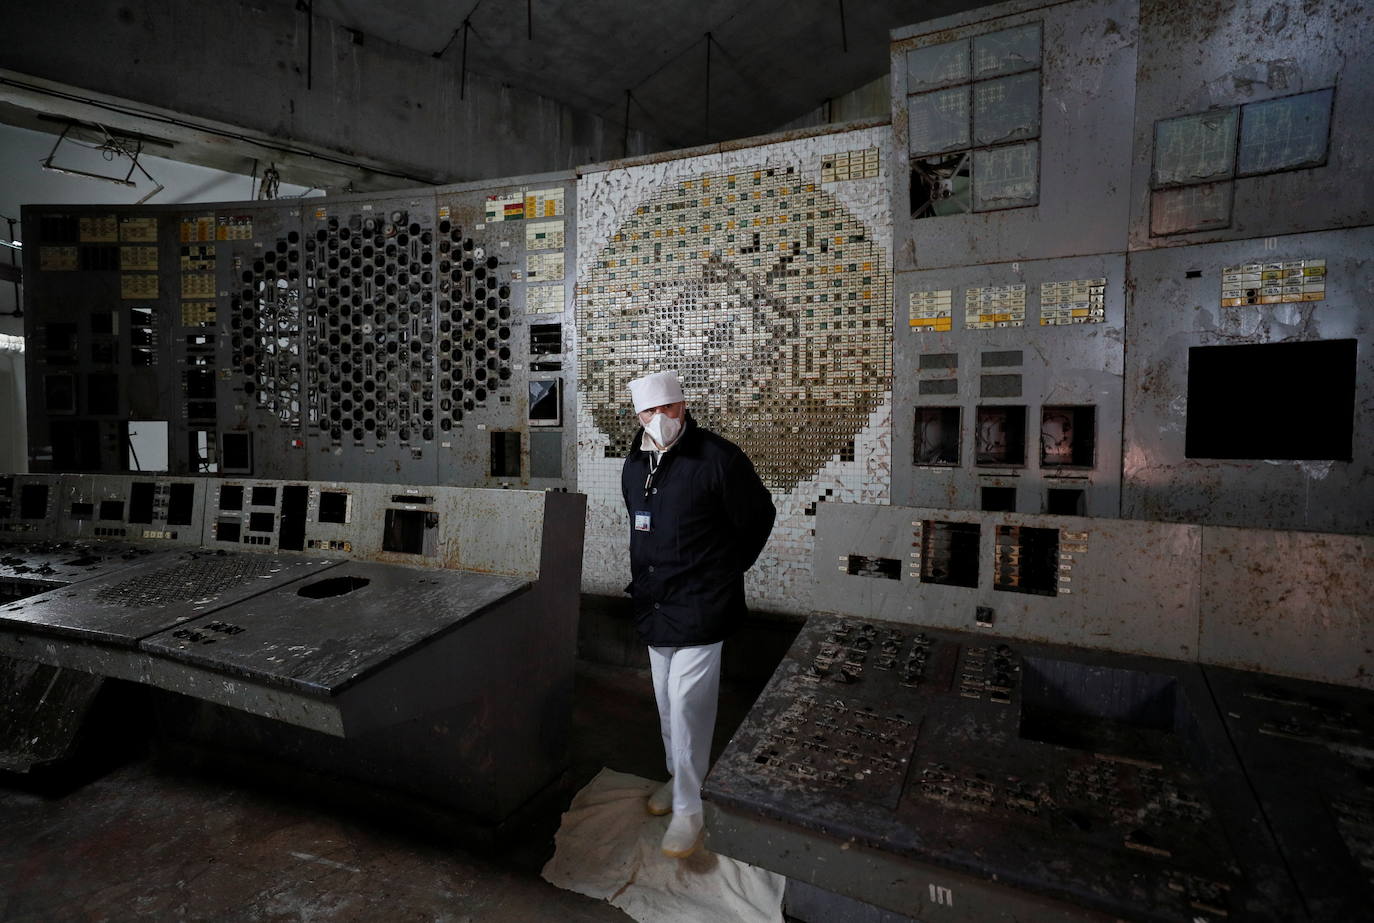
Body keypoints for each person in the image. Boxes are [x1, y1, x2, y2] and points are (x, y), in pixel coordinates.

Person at [621, 370, 776, 858]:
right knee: (667, 705)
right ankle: (677, 778)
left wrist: (723, 574)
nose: (659, 419)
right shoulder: (635, 461)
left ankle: (690, 809)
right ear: (638, 415)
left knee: (688, 707)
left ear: (683, 407)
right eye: (649, 411)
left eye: (667, 409)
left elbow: (759, 517)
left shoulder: (719, 459)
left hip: (702, 606)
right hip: (655, 603)